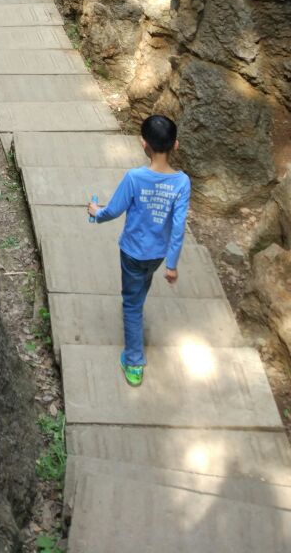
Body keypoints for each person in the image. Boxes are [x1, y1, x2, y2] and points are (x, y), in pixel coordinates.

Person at [87, 115, 190, 387]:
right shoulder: (182, 183)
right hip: (158, 256)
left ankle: (134, 362)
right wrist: (172, 264)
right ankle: (138, 299)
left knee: (131, 305)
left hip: (132, 252)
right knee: (142, 285)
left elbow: (114, 210)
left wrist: (96, 213)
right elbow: (178, 227)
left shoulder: (134, 178)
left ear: (143, 144)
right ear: (175, 145)